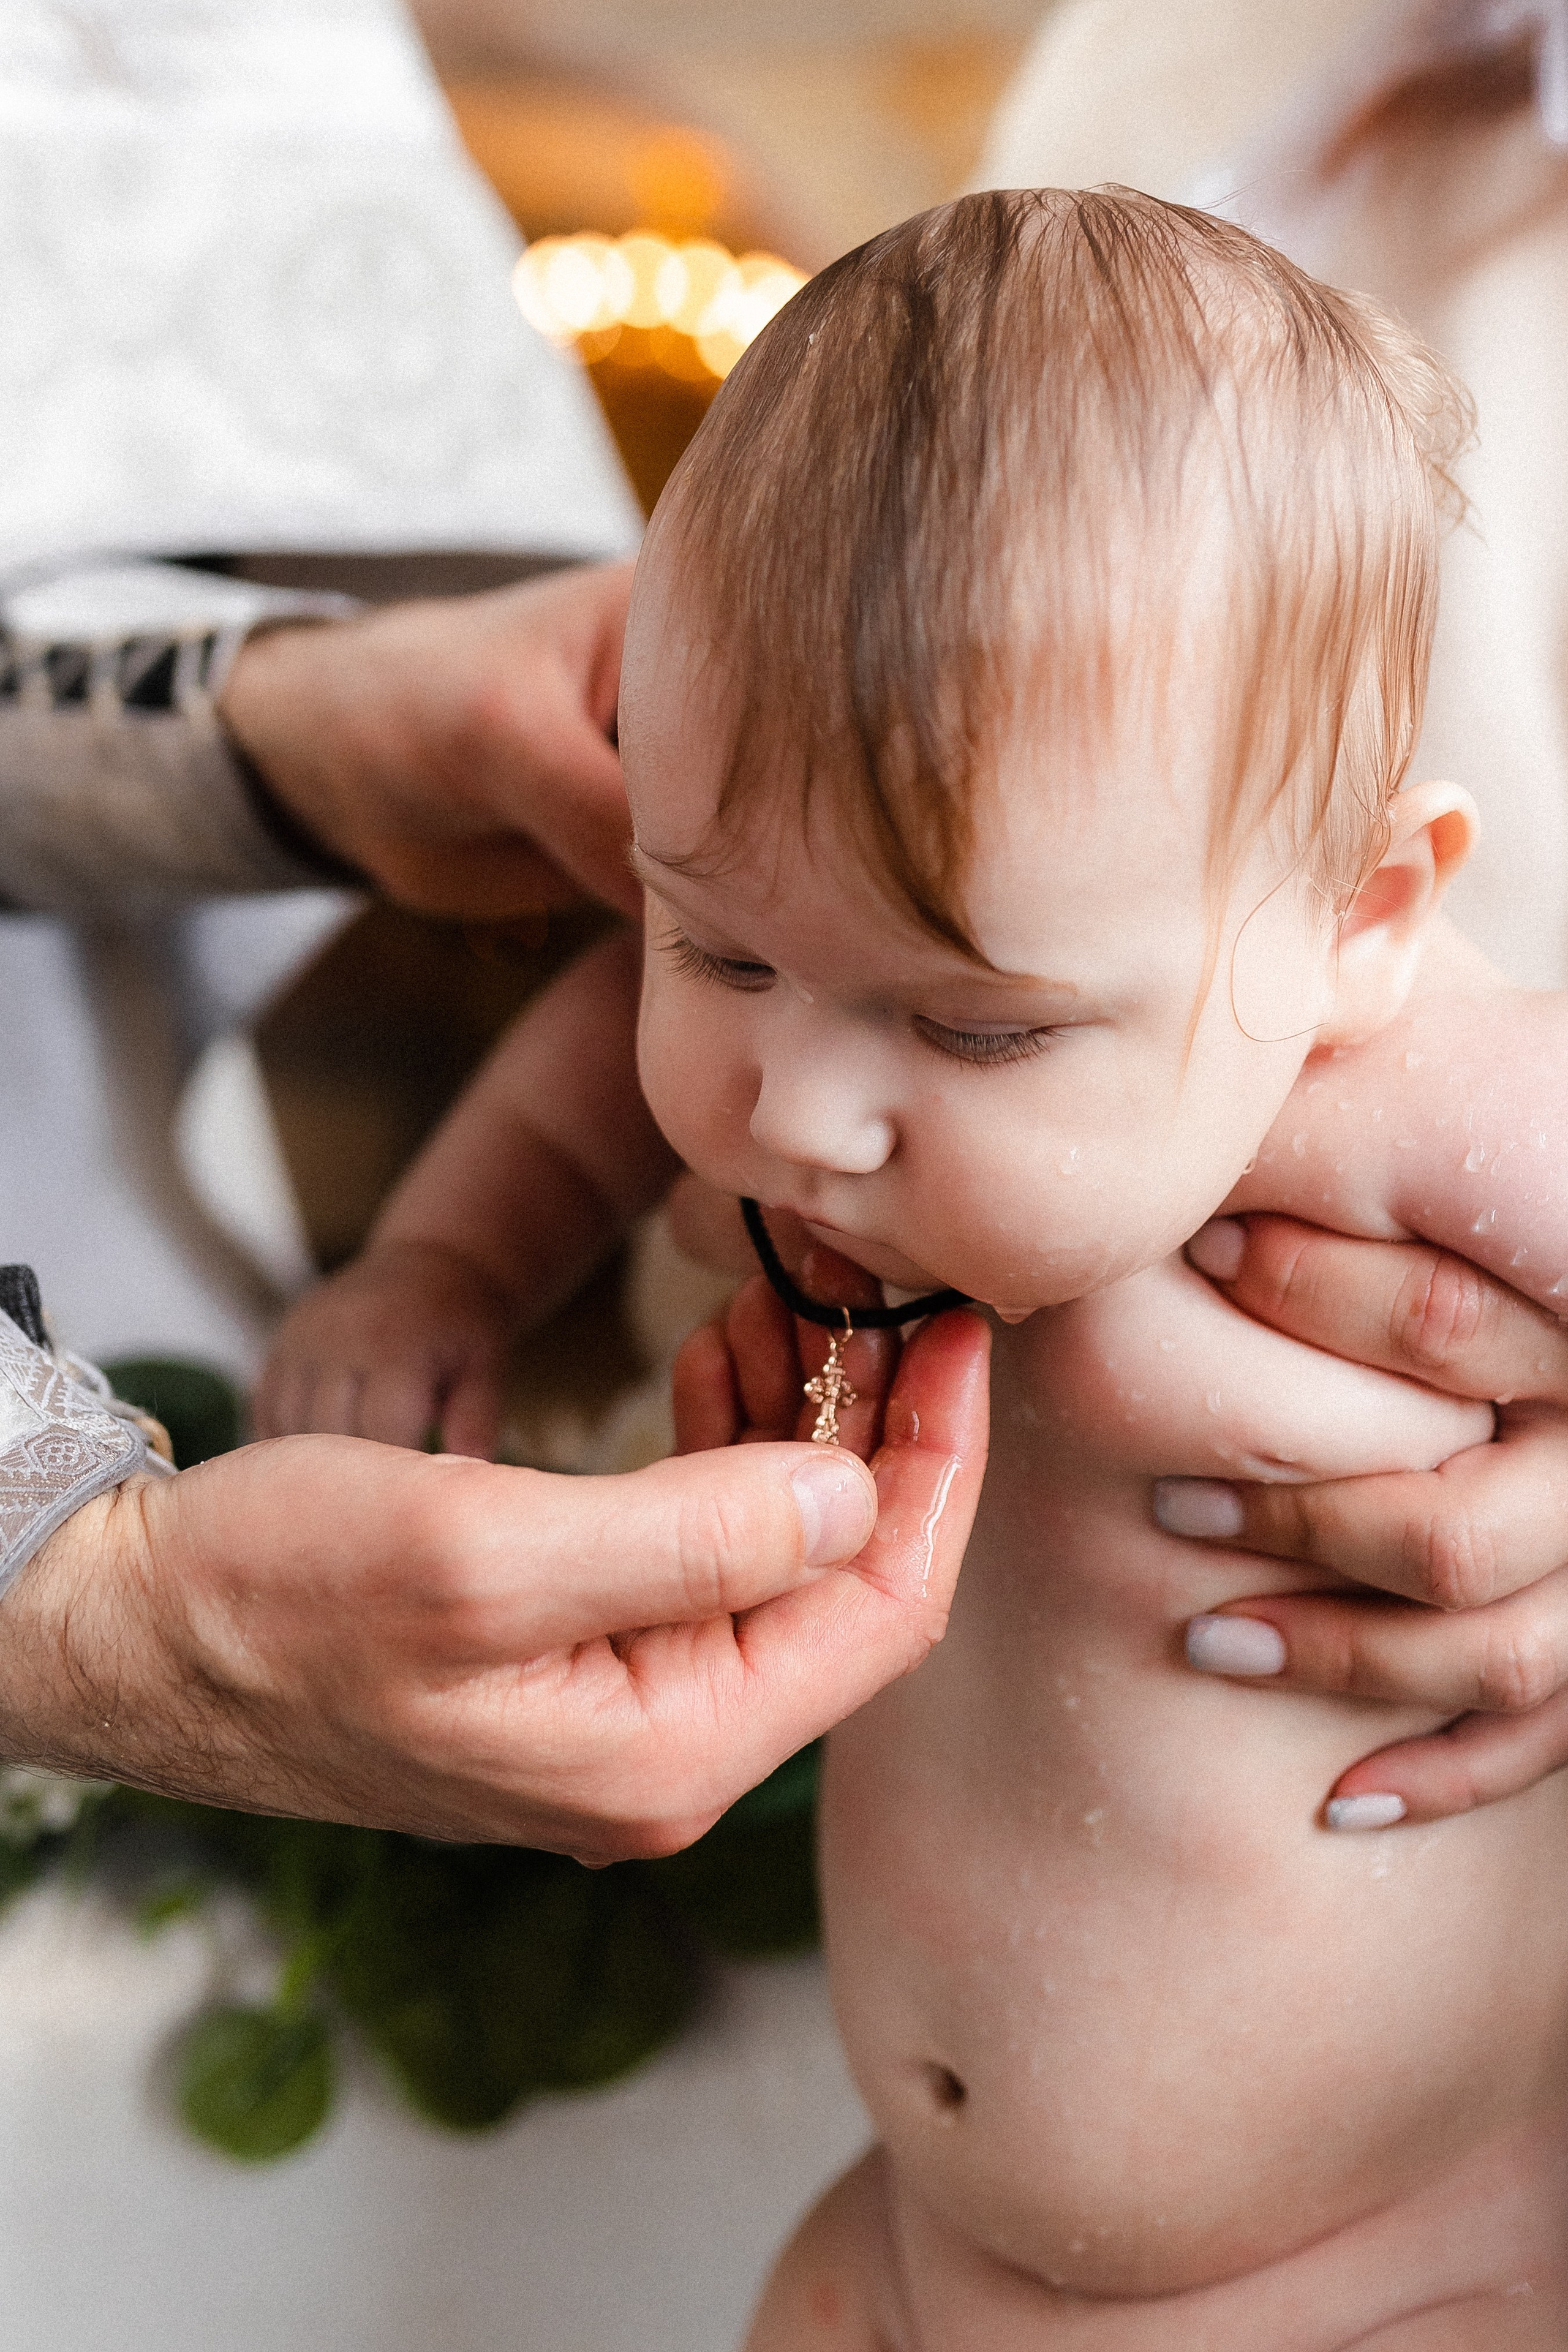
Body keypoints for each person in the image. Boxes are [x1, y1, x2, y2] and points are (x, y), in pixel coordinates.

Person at [267, 186, 1568, 2335]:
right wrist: (444, 1266)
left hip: (1378, 2272)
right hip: (911, 2236)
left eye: (973, 1027)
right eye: (729, 947)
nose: (805, 1111)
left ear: (1354, 916)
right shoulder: (829, 1027)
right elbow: (607, 1037)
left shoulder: (1418, 1111)